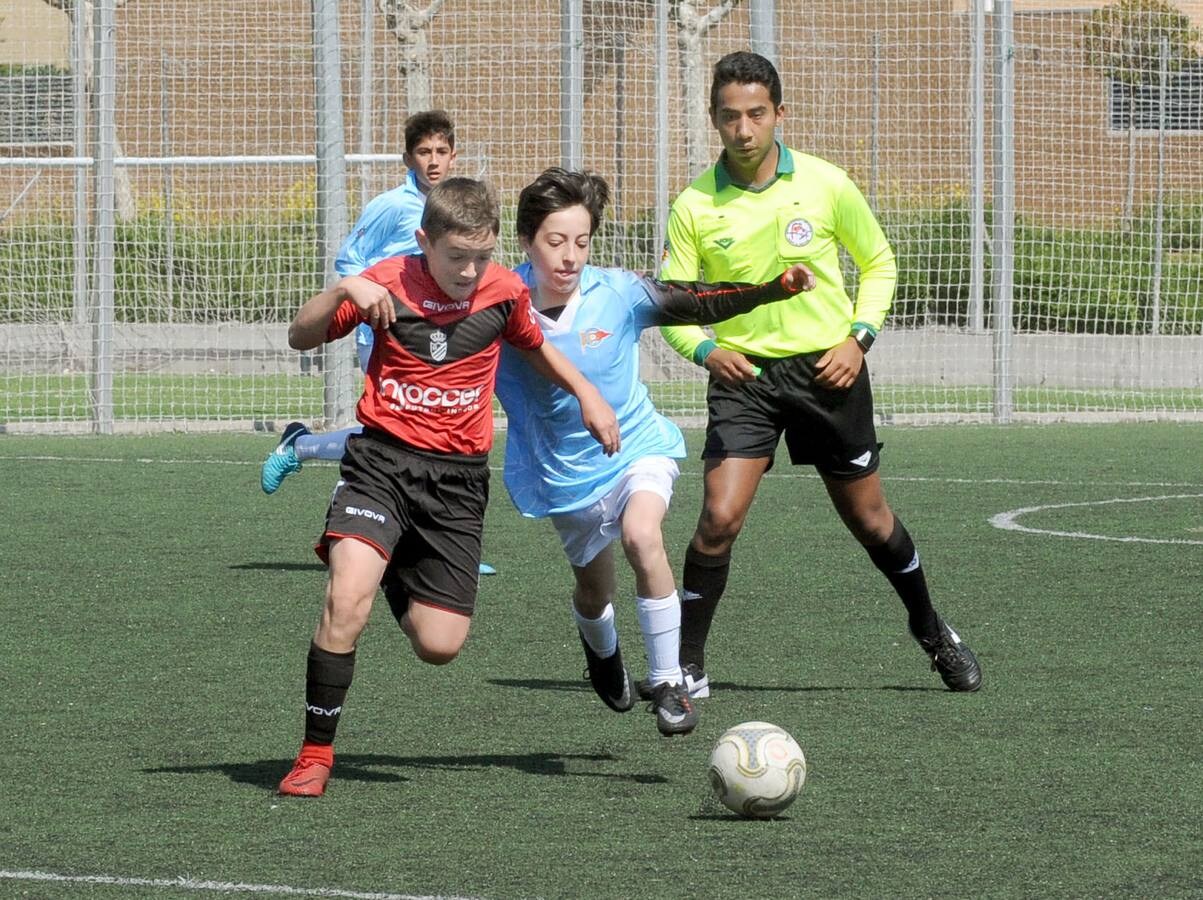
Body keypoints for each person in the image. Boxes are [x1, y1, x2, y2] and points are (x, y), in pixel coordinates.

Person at [277, 177, 620, 797]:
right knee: (344, 603)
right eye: (455, 256)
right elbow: (301, 335)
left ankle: (389, 559)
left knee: (440, 645)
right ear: (422, 241)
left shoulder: (505, 291)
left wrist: (587, 393)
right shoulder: (385, 281)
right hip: (381, 463)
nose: (468, 271)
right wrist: (342, 290)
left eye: (480, 256)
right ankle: (314, 754)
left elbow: (535, 345)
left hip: (457, 484)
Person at [657, 51, 981, 695]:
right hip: (744, 378)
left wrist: (859, 340)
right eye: (730, 117)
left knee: (870, 520)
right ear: (713, 120)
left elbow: (880, 263)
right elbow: (672, 305)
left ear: (780, 113)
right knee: (718, 520)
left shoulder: (827, 184)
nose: (744, 129)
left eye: (756, 114)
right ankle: (685, 666)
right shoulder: (693, 204)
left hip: (830, 374)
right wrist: (704, 351)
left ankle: (932, 630)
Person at [493, 168, 816, 736]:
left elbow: (695, 301)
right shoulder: (498, 304)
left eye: (582, 241)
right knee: (595, 593)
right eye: (555, 241)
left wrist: (771, 289)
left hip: (637, 446)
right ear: (525, 241)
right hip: (565, 475)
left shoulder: (616, 291)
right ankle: (602, 652)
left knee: (644, 535)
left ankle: (669, 683)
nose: (570, 257)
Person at [261, 109, 458, 495]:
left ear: (454, 155)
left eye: (440, 150)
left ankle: (305, 451)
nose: (432, 160)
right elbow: (349, 260)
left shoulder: (452, 207)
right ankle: (350, 506)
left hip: (430, 331)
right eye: (423, 151)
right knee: (393, 427)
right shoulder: (392, 205)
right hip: (382, 330)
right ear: (407, 159)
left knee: (417, 425)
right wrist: (372, 301)